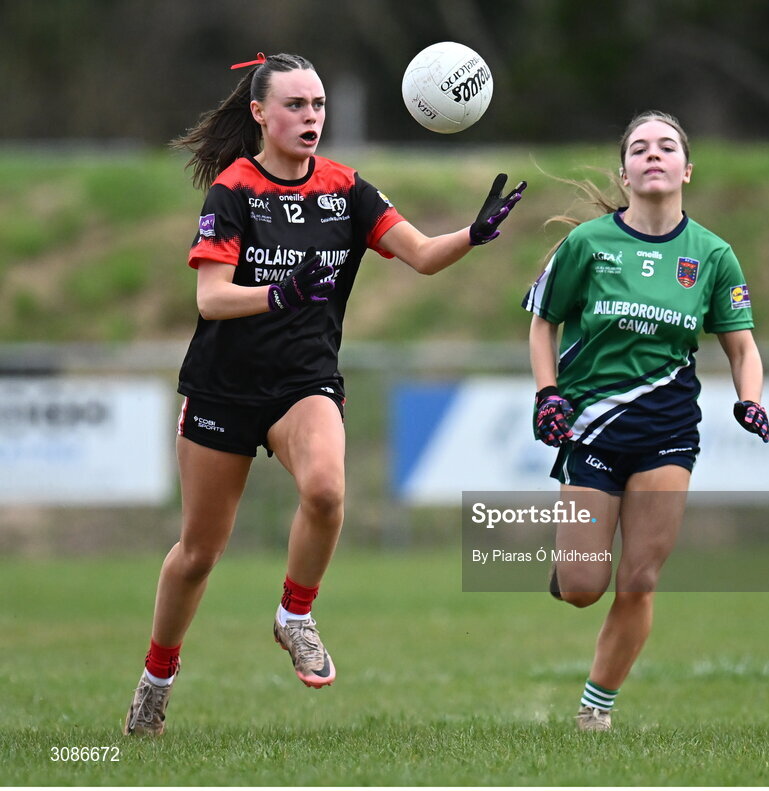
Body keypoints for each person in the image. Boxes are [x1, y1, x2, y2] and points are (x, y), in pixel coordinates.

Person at [123, 52, 526, 735]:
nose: (311, 117)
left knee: (327, 490)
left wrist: (474, 234)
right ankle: (157, 676)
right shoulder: (235, 190)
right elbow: (211, 298)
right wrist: (281, 291)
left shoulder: (348, 190)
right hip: (222, 386)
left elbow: (422, 255)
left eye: (318, 106)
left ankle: (295, 612)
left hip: (303, 379)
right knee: (197, 553)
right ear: (259, 113)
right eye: (295, 106)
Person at [522, 110, 769, 732]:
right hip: (594, 426)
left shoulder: (712, 255)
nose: (652, 155)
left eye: (666, 147)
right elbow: (543, 321)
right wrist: (547, 394)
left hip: (668, 432)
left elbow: (741, 345)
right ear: (626, 171)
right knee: (583, 587)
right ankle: (574, 567)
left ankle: (595, 710)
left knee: (640, 579)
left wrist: (750, 399)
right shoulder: (587, 244)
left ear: (687, 169)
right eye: (639, 148)